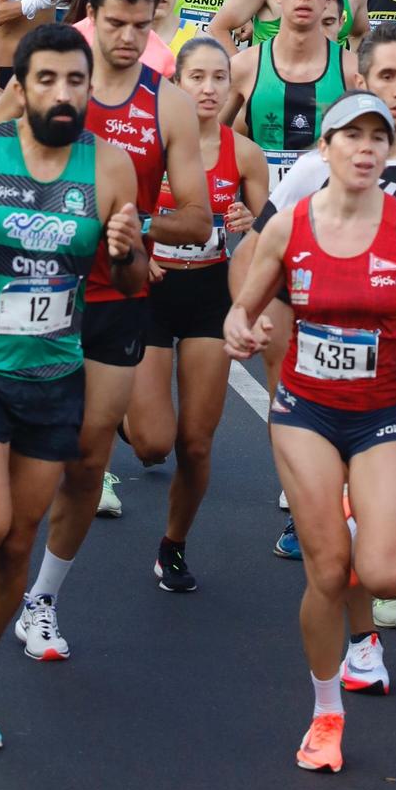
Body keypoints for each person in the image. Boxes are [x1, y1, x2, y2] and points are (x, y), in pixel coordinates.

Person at [224, 90, 396, 775]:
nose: (366, 148)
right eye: (352, 136)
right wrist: (241, 329)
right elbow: (244, 307)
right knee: (329, 571)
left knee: (387, 575)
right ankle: (326, 710)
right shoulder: (292, 224)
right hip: (306, 410)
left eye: (378, 137)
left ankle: (355, 514)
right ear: (324, 149)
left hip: (383, 411)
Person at [0, 0, 212, 655]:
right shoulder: (55, 80)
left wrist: (137, 224)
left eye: (140, 26)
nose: (126, 38)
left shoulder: (167, 102)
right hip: (31, 282)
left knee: (89, 459)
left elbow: (199, 219)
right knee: (11, 439)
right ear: (91, 15)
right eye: (115, 23)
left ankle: (43, 599)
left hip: (117, 290)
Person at [125, 37, 269, 592]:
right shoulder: (152, 147)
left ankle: (174, 544)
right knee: (152, 443)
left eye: (218, 78)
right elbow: (117, 209)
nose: (208, 89)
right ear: (176, 86)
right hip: (152, 293)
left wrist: (245, 223)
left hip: (210, 292)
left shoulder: (245, 154)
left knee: (196, 442)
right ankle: (127, 416)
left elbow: (271, 230)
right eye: (197, 78)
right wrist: (140, 252)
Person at [227, 0, 354, 188]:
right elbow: (210, 144)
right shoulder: (243, 67)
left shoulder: (354, 72)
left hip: (328, 220)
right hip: (259, 219)